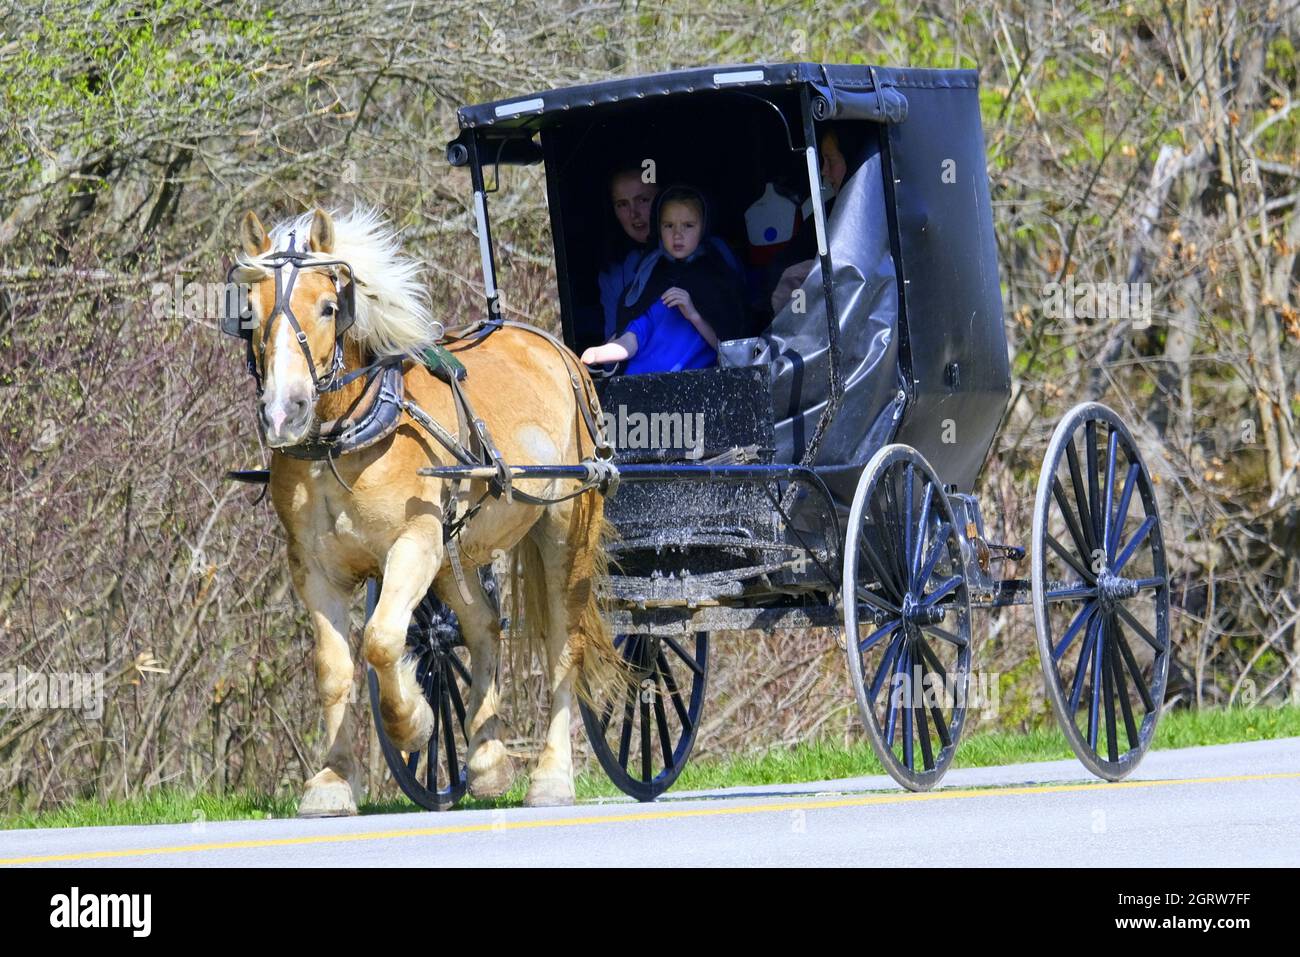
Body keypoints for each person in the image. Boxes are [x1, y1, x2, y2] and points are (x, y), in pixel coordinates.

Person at [582, 186, 745, 375]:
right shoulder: (649, 279)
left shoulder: (719, 281)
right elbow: (633, 338)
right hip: (642, 388)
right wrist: (599, 353)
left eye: (688, 225)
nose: (677, 234)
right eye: (669, 225)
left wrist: (693, 314)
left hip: (699, 391)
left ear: (704, 227)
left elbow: (732, 353)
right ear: (658, 228)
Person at [767, 127, 850, 316]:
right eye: (823, 161)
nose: (824, 171)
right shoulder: (824, 215)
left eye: (830, 160)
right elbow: (783, 270)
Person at [597, 166, 660, 341]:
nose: (634, 214)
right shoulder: (613, 274)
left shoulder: (709, 251)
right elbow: (613, 341)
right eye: (622, 204)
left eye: (643, 200)